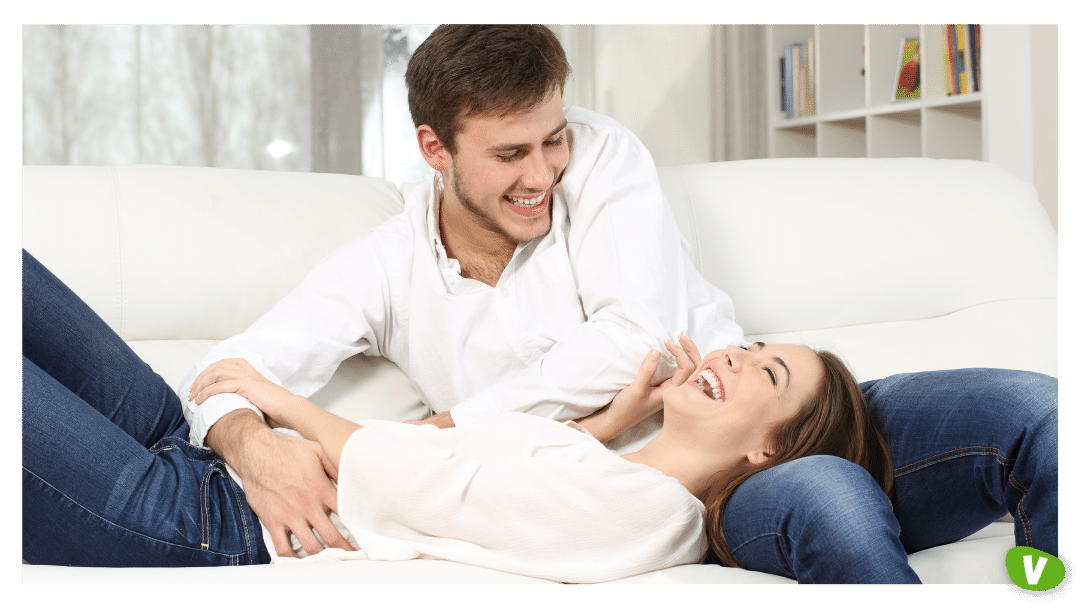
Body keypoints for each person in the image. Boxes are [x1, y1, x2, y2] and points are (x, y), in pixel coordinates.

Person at [22, 246, 891, 584]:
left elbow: (423, 477)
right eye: (751, 346)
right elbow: (537, 469)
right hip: (202, 458)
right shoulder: (624, 475)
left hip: (205, 519)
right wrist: (623, 410)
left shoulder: (648, 515)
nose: (734, 354)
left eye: (766, 373)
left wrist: (276, 401)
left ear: (769, 451)